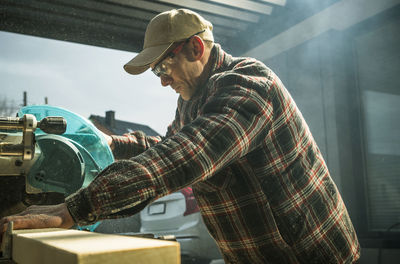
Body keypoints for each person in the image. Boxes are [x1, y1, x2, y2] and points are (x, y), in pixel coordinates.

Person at [0, 8, 360, 263]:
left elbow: (182, 158)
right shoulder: (193, 101)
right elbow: (164, 146)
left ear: (196, 48)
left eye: (163, 65)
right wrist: (106, 142)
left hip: (308, 254)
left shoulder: (249, 85)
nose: (161, 79)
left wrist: (69, 211)